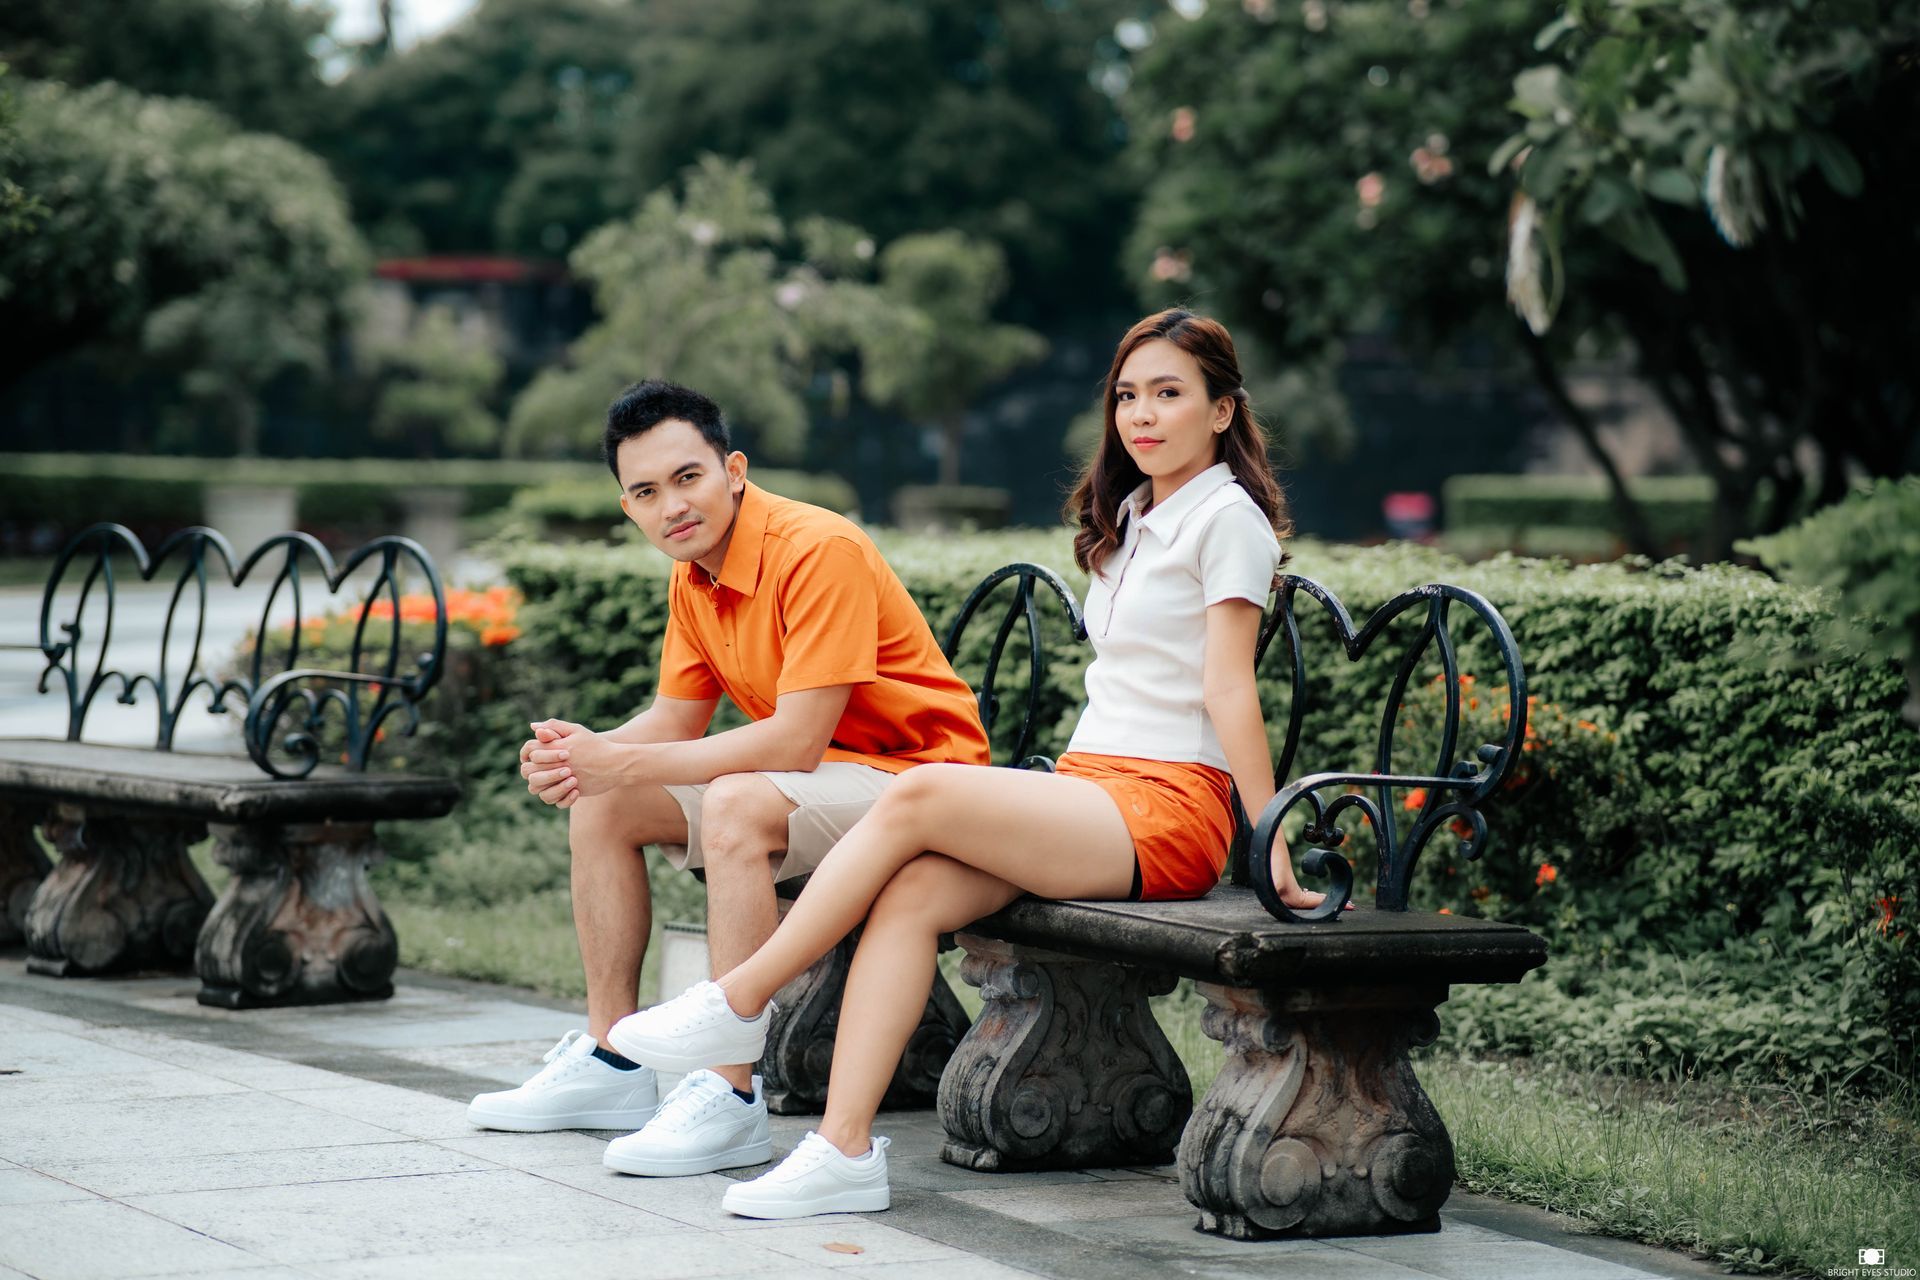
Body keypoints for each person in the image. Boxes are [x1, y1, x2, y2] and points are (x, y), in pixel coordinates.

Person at [607, 310, 1328, 1219]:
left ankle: (739, 997)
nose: (1142, 415)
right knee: (910, 897)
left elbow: (1228, 689)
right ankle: (842, 1152)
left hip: (1171, 808)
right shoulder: (1137, 515)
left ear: (1222, 411)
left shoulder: (1227, 519)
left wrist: (1270, 840)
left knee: (920, 792)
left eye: (1169, 394)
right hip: (1093, 791)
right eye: (1127, 396)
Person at [465, 380, 991, 1181]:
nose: (672, 506)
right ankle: (611, 1060)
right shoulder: (694, 574)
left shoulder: (817, 548)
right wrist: (582, 756)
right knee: (606, 804)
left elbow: (796, 740)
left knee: (738, 803)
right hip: (828, 785)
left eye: (688, 477)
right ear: (628, 509)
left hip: (923, 785)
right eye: (647, 492)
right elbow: (675, 720)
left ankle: (729, 1094)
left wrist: (620, 760)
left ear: (733, 470)